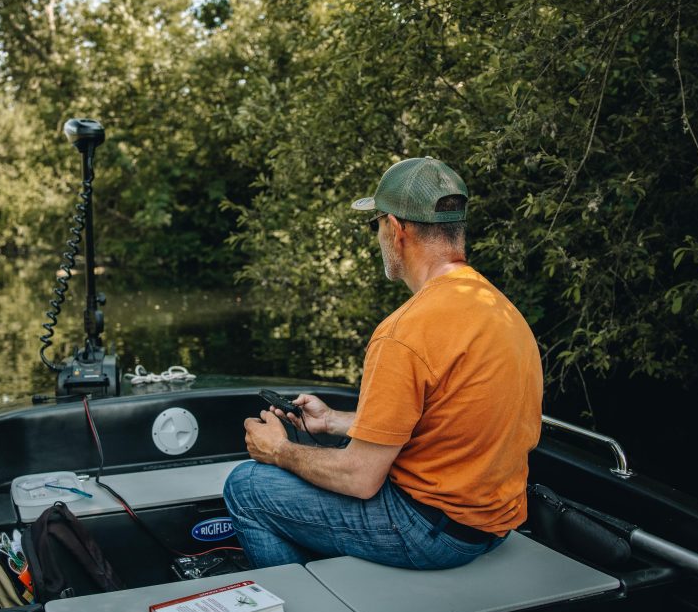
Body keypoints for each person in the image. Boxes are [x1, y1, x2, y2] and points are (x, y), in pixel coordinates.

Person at [223, 157, 543, 570]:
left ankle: (312, 611)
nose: (378, 235)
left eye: (376, 225)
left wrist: (278, 449)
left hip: (430, 534)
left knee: (246, 487)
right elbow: (442, 424)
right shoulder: (500, 310)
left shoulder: (404, 332)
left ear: (396, 229)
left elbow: (360, 478)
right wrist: (334, 421)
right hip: (492, 528)